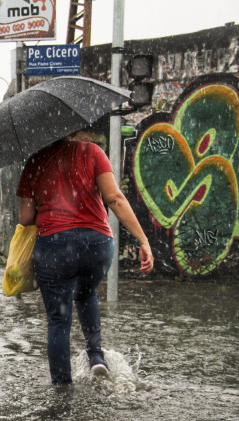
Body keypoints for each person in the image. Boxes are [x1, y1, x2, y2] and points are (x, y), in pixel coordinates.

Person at [16, 135, 154, 384]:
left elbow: (25, 217)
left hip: (54, 247)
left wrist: (49, 210)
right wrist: (142, 240)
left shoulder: (35, 161)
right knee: (85, 291)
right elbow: (115, 198)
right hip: (96, 245)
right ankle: (96, 357)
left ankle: (61, 389)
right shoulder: (92, 152)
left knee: (58, 320)